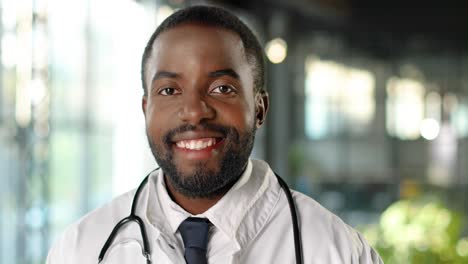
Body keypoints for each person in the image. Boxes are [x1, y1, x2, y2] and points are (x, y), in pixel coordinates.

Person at [47, 5, 383, 264]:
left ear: (260, 108)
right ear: (145, 109)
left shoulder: (336, 250)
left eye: (222, 88)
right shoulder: (81, 248)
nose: (194, 111)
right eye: (169, 91)